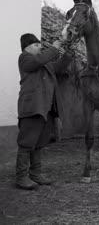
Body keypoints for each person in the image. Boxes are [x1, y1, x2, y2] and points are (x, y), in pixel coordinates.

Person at [16, 33, 73, 190]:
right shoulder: (25, 58)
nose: (39, 47)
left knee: (39, 144)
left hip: (45, 109)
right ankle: (21, 177)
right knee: (26, 143)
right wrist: (55, 47)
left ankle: (36, 174)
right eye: (36, 45)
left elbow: (59, 67)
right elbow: (39, 60)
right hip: (32, 107)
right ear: (27, 47)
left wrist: (69, 53)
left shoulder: (44, 63)